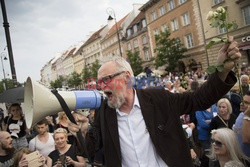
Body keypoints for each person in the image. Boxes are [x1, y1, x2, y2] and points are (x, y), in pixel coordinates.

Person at [69, 38, 240, 167]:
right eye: (100, 82)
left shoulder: (159, 99)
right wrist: (82, 130)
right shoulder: (103, 111)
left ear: (127, 78)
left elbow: (198, 99)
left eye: (106, 80)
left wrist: (221, 70)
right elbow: (91, 152)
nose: (101, 86)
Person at [234, 90, 250, 157]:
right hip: (237, 157)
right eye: (242, 101)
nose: (241, 104)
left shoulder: (246, 116)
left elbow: (246, 140)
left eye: (246, 102)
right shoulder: (241, 114)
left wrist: (247, 116)